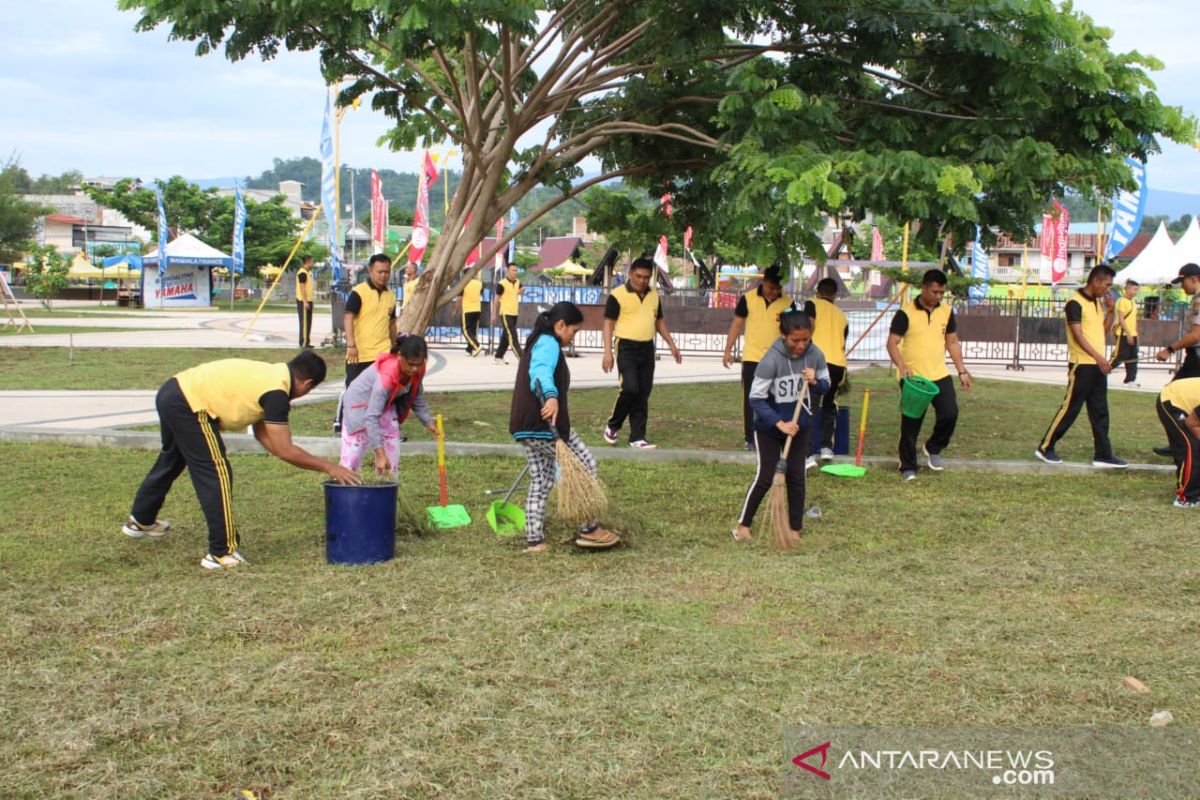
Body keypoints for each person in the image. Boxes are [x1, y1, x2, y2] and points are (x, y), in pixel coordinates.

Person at [122, 351, 361, 570]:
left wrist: (284, 452)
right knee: (216, 472)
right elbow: (285, 449)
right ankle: (221, 552)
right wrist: (330, 467)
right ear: (307, 385)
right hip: (189, 404)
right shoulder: (276, 394)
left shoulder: (272, 376)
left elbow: (265, 437)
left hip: (172, 390)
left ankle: (141, 520)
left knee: (173, 460)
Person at [510, 301, 619, 552]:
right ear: (560, 325)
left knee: (542, 479)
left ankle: (535, 540)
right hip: (546, 425)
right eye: (574, 331)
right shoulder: (548, 343)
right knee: (584, 464)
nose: (574, 336)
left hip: (525, 426)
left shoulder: (539, 340)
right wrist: (550, 396)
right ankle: (588, 528)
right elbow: (539, 371)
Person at [733, 311, 830, 542]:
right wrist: (779, 423)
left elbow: (826, 385)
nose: (801, 345)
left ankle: (794, 530)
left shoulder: (815, 354)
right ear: (783, 335)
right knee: (766, 476)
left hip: (799, 426)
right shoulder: (771, 360)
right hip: (769, 428)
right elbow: (755, 398)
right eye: (795, 340)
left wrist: (815, 381)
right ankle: (743, 526)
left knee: (797, 476)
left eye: (805, 339)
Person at [1035, 264, 1127, 467]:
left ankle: (1103, 454)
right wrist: (1099, 358)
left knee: (1100, 410)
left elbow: (1099, 334)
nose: (1108, 290)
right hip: (1082, 365)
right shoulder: (1074, 303)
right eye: (1107, 285)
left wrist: (1110, 313)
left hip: (1096, 365)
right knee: (1071, 408)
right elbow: (1078, 336)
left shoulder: (1095, 302)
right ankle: (1045, 447)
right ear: (1095, 281)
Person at [886, 269, 973, 480]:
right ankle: (908, 466)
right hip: (914, 378)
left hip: (939, 374)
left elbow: (951, 341)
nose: (938, 296)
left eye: (941, 292)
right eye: (934, 291)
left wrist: (961, 370)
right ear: (924, 287)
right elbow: (892, 343)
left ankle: (933, 447)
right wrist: (902, 366)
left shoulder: (946, 311)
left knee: (950, 413)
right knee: (911, 423)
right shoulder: (905, 313)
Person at [602, 257, 683, 449]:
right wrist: (607, 353)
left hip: (647, 348)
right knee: (630, 388)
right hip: (625, 347)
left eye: (646, 277)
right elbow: (608, 324)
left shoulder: (654, 295)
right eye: (638, 276)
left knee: (643, 393)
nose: (642, 281)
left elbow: (659, 321)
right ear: (630, 274)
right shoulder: (617, 295)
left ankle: (637, 437)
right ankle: (613, 425)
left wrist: (671, 344)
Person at [339, 335, 438, 476]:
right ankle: (345, 487)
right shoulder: (385, 377)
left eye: (419, 364)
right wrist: (379, 452)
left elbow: (415, 394)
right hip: (358, 405)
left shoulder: (417, 370)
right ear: (399, 356)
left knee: (392, 448)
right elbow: (371, 416)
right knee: (353, 454)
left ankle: (387, 486)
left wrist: (428, 421)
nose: (415, 369)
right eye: (410, 364)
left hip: (385, 404)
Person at [722, 265, 794, 450]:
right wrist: (728, 350)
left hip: (779, 359)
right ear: (763, 282)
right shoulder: (748, 299)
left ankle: (775, 435)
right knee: (752, 399)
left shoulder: (788, 304)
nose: (775, 292)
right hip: (753, 358)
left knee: (778, 398)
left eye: (778, 288)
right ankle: (750, 438)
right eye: (771, 287)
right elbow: (737, 325)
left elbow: (792, 331)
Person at [334, 253, 397, 435]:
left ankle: (381, 429)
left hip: (382, 353)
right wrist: (351, 345)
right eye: (379, 272)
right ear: (370, 270)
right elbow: (348, 317)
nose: (383, 275)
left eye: (386, 272)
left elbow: (392, 322)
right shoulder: (359, 292)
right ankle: (341, 423)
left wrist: (393, 346)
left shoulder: (390, 296)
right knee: (351, 388)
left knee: (382, 392)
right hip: (359, 353)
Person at [1152, 263, 1200, 456]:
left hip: (1197, 357)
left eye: (1183, 282)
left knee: (1171, 398)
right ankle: (1180, 443)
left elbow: (1196, 335)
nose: (1182, 287)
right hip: (1194, 356)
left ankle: (1182, 445)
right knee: (1177, 399)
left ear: (1194, 279)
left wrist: (1169, 349)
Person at [804, 277, 850, 460]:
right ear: (835, 295)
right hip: (838, 365)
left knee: (810, 406)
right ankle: (826, 448)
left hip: (817, 362)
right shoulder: (842, 316)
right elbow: (843, 342)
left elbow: (807, 328)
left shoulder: (811, 304)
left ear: (818, 292)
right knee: (830, 405)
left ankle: (807, 454)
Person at [1155, 377, 1200, 508]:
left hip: (1192, 406)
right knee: (1191, 447)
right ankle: (1186, 498)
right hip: (1173, 400)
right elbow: (1192, 423)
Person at [1110, 278, 1140, 386]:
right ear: (1127, 289)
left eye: (1137, 290)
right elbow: (1121, 319)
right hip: (1123, 333)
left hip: (1133, 333)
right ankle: (1102, 372)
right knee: (1120, 356)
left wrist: (1135, 333)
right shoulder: (1122, 301)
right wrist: (1128, 334)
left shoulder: (1132, 302)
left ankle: (1130, 379)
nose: (1136, 292)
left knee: (1133, 357)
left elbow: (1134, 319)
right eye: (1134, 289)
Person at [492, 263, 523, 364]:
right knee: (513, 336)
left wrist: (522, 291)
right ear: (508, 271)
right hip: (505, 313)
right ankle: (522, 359)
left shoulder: (518, 282)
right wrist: (494, 314)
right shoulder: (502, 283)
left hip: (514, 313)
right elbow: (496, 299)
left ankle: (498, 356)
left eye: (516, 270)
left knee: (506, 336)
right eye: (513, 270)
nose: (515, 272)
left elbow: (520, 292)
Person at [457, 267, 484, 357]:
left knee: (466, 330)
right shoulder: (479, 283)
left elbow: (460, 298)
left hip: (468, 309)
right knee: (473, 330)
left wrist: (455, 308)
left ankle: (477, 346)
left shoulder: (463, 284)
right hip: (477, 309)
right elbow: (480, 293)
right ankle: (469, 349)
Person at [296, 255, 315, 348]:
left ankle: (307, 342)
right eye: (312, 261)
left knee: (308, 322)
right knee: (304, 322)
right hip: (303, 301)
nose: (313, 263)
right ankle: (303, 342)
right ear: (307, 261)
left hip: (309, 300)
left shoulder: (307, 272)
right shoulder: (302, 273)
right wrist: (305, 301)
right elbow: (302, 288)